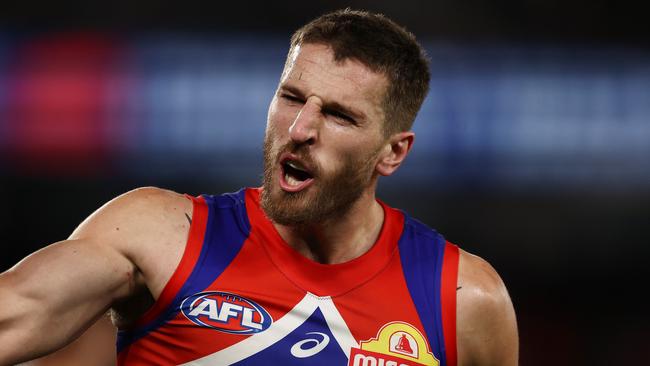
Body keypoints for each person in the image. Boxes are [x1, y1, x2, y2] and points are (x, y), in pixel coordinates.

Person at [0, 9, 518, 366]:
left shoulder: (463, 299)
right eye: (292, 98)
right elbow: (13, 314)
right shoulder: (161, 236)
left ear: (393, 152)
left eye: (338, 115)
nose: (300, 130)